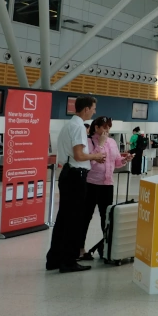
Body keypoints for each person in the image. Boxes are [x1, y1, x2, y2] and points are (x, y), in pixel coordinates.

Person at [46, 95, 104, 273]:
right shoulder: (79, 127)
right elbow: (79, 155)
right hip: (76, 175)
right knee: (74, 219)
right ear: (86, 109)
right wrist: (96, 156)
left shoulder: (67, 126)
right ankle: (69, 261)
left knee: (63, 218)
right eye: (93, 108)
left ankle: (54, 258)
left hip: (67, 173)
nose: (94, 112)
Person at [81, 117, 133, 260]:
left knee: (107, 216)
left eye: (109, 128)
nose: (107, 131)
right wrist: (101, 145)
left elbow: (115, 162)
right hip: (91, 183)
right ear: (96, 128)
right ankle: (80, 248)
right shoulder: (89, 141)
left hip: (107, 184)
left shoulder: (112, 142)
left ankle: (107, 247)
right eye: (104, 127)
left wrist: (124, 160)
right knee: (86, 216)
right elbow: (91, 161)